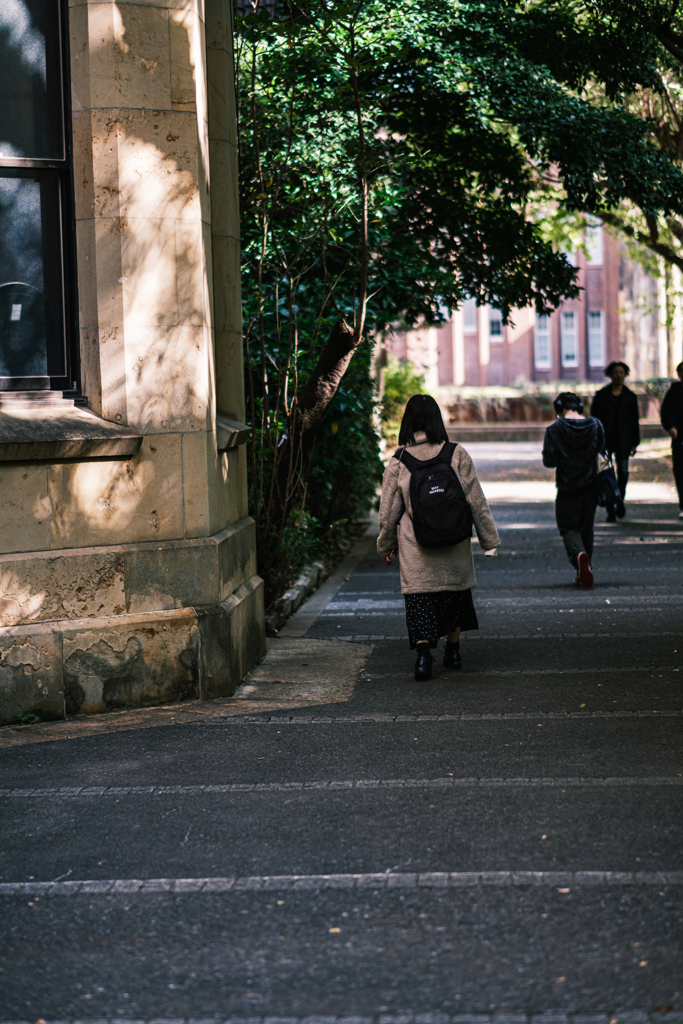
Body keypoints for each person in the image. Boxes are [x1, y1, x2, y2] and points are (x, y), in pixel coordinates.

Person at [377, 394, 499, 681]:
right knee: (454, 596)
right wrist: (489, 540)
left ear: (408, 421)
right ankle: (453, 652)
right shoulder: (456, 453)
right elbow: (475, 500)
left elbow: (389, 511)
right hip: (454, 542)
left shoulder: (399, 460)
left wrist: (386, 543)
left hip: (416, 545)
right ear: (436, 420)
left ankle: (423, 658)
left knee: (420, 599)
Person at [542, 392, 605, 589]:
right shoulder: (595, 425)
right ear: (579, 406)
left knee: (569, 528)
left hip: (568, 488)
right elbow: (602, 452)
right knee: (587, 528)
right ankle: (585, 570)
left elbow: (549, 461)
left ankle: (579, 557)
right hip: (591, 488)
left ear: (559, 407)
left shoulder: (554, 429)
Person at [590, 361, 640, 522]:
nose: (619, 375)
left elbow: (634, 421)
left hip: (624, 440)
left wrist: (634, 442)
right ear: (610, 375)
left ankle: (620, 499)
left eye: (622, 372)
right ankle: (610, 507)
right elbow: (594, 419)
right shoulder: (601, 396)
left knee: (623, 472)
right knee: (605, 473)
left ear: (625, 375)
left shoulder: (630, 397)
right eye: (616, 372)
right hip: (605, 441)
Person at [660, 361, 683, 519]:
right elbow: (666, 412)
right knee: (681, 472)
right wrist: (671, 427)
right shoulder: (674, 391)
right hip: (680, 438)